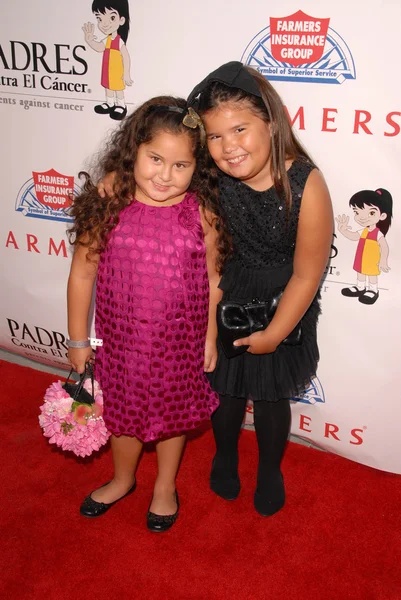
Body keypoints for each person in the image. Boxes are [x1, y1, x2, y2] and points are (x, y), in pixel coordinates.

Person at [98, 62, 334, 517]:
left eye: (241, 129)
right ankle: (225, 456)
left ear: (273, 119)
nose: (229, 147)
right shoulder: (213, 179)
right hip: (225, 296)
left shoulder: (306, 184)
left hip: (281, 303)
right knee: (224, 394)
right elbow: (155, 191)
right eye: (216, 138)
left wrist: (276, 333)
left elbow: (308, 275)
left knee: (269, 398)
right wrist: (114, 182)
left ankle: (269, 469)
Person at [67, 96, 220, 531]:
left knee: (174, 417)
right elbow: (81, 276)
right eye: (155, 159)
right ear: (133, 150)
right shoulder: (110, 199)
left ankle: (165, 486)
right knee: (122, 413)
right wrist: (79, 341)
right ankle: (122, 479)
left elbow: (213, 279)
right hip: (120, 342)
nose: (165, 175)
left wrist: (209, 336)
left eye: (181, 166)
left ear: (198, 168)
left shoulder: (200, 212)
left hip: (179, 342)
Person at [336, 188, 392, 305]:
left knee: (371, 274)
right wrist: (343, 230)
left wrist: (383, 260)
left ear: (382, 216)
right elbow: (353, 236)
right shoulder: (364, 231)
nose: (361, 217)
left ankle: (373, 290)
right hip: (361, 258)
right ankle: (360, 287)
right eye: (357, 212)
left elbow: (384, 247)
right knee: (360, 272)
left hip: (372, 259)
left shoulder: (378, 233)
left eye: (371, 213)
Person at [82, 0, 133, 120]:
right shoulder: (107, 39)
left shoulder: (119, 41)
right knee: (108, 87)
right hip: (107, 70)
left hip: (116, 71)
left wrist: (126, 74)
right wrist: (89, 40)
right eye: (100, 19)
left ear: (121, 20)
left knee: (118, 89)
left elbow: (126, 57)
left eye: (112, 17)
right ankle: (110, 103)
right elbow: (99, 47)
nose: (104, 24)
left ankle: (120, 105)